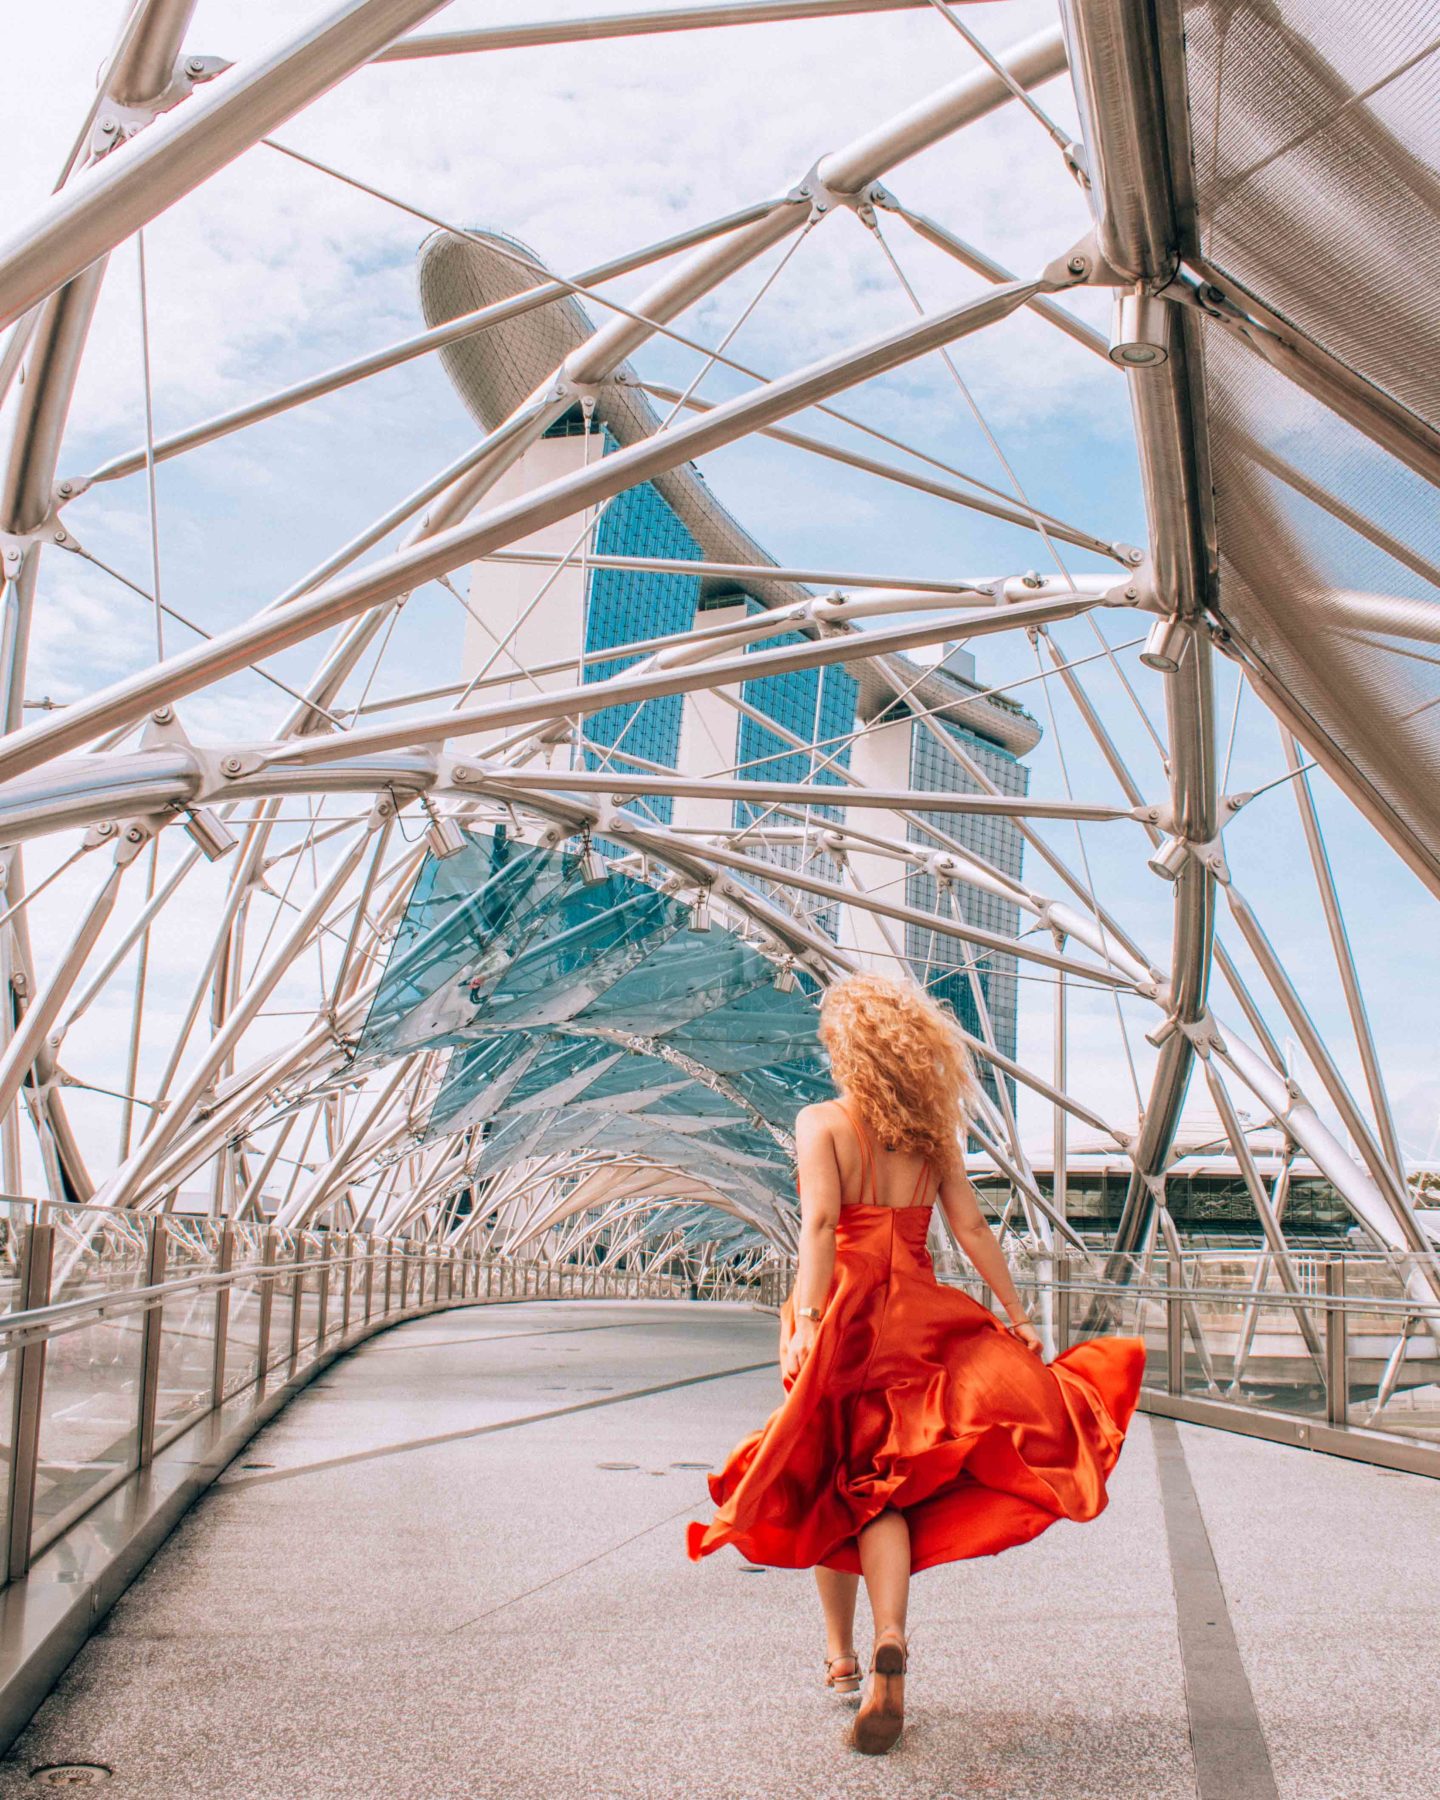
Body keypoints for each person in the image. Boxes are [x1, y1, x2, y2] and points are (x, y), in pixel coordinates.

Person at [686, 971, 1145, 1755]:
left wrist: (803, 1322)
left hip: (845, 1314)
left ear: (845, 1049)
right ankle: (876, 1645)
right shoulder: (933, 1135)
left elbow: (823, 1226)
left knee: (828, 1472)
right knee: (879, 1480)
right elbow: (969, 1229)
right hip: (917, 1314)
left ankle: (841, 1656)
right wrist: (1018, 1314)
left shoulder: (821, 1121)